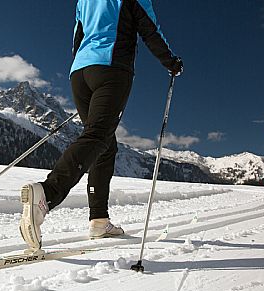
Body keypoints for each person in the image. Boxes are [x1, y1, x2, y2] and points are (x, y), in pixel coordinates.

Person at [19, 0, 183, 250]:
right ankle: (47, 194)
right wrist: (170, 61)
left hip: (81, 72)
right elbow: (150, 29)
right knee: (98, 136)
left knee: (105, 145)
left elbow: (78, 35)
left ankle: (99, 220)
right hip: (112, 68)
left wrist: (86, 64)